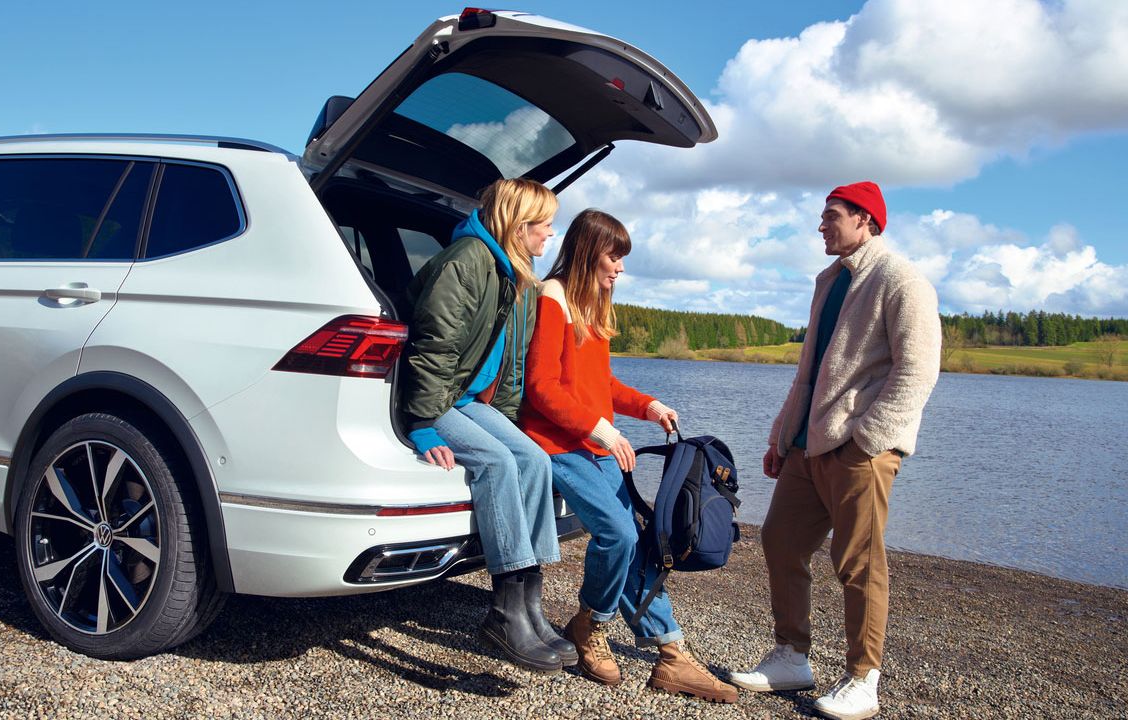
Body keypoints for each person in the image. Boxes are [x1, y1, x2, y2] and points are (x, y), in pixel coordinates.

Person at [730, 182, 940, 720]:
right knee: (780, 541)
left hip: (859, 450)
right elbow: (811, 371)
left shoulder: (902, 279)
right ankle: (792, 657)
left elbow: (918, 370)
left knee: (858, 563)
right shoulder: (830, 281)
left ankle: (863, 678)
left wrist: (868, 440)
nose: (821, 226)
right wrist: (784, 436)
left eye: (831, 216)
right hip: (809, 446)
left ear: (865, 219)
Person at [520, 209, 740, 703]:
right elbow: (541, 388)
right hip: (558, 444)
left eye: (622, 258)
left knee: (637, 544)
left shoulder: (592, 304)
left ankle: (671, 653)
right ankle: (590, 624)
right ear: (586, 249)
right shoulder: (552, 297)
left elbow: (602, 386)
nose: (619, 267)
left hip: (592, 443)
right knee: (617, 535)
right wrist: (600, 428)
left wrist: (648, 406)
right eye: (613, 255)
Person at [401, 177, 574, 673]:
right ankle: (504, 612)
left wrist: (512, 421)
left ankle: (530, 605)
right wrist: (423, 424)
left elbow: (511, 364)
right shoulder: (467, 262)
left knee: (533, 459)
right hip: (436, 399)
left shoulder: (516, 273)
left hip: (472, 400)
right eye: (543, 226)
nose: (548, 237)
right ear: (518, 226)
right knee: (497, 463)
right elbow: (433, 348)